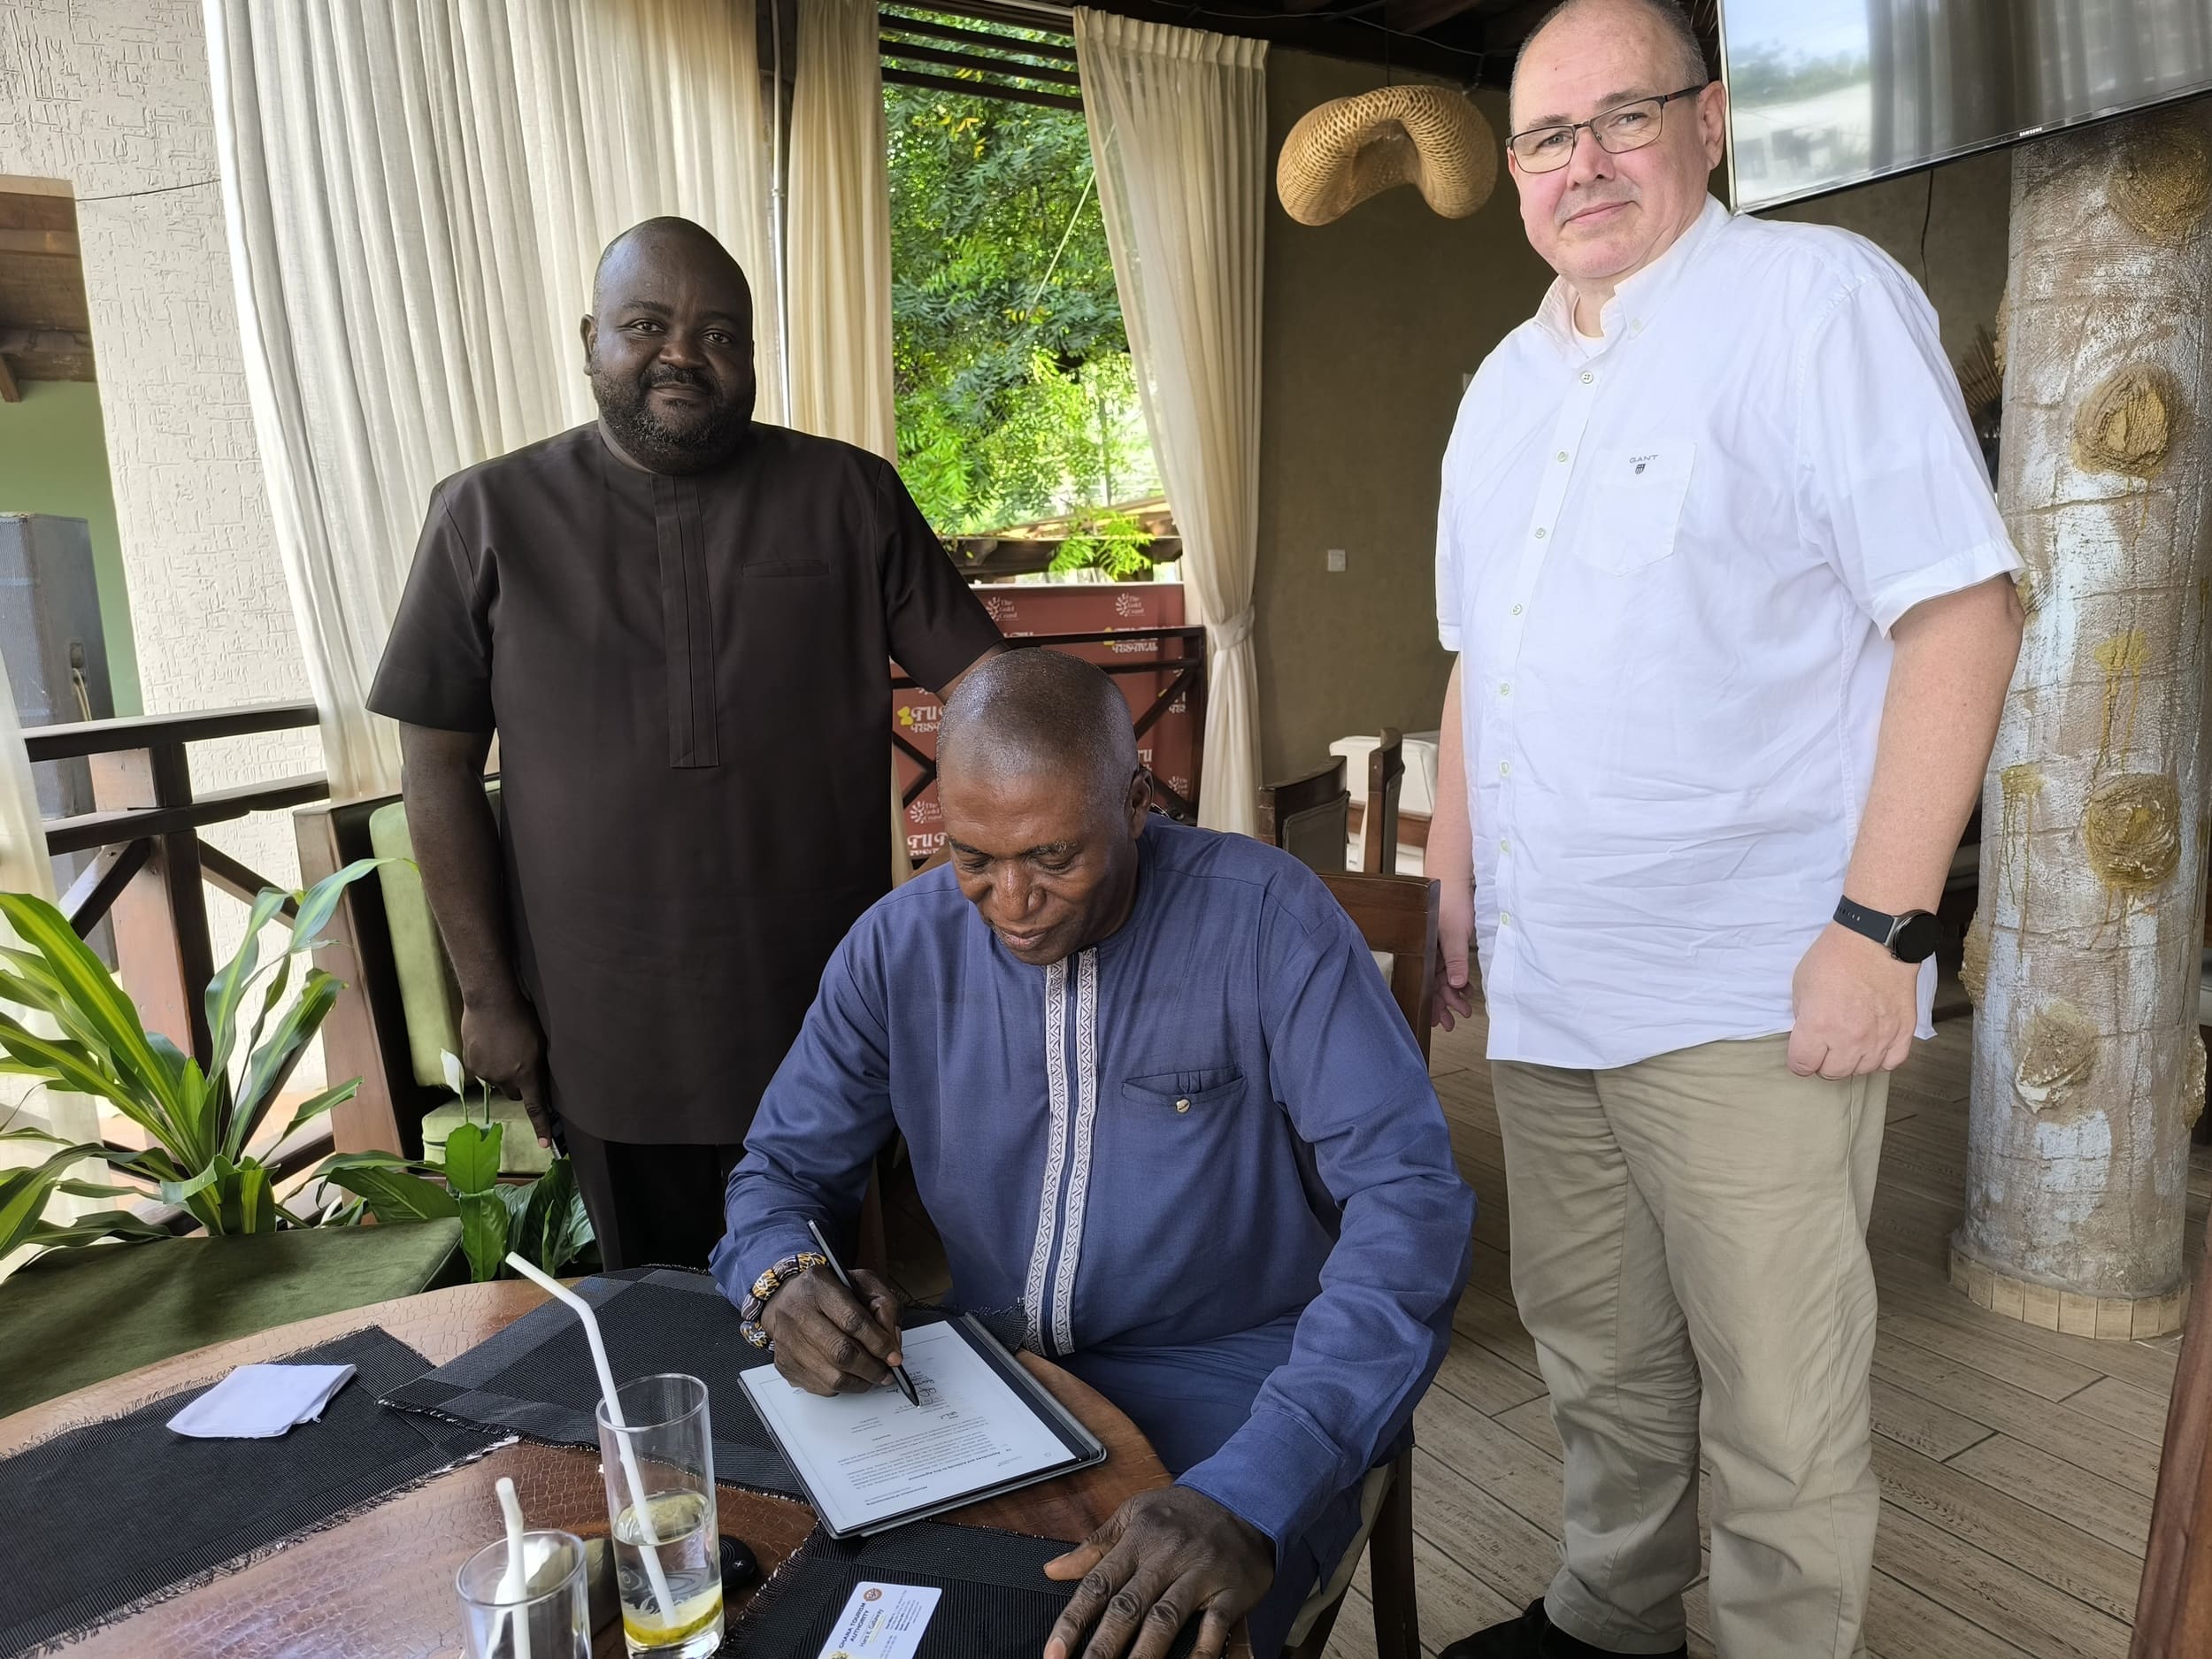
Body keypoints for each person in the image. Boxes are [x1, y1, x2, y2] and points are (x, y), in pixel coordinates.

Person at [1428, 3, 2025, 1655]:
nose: (1584, 162)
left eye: (1626, 116)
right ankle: (1612, 1615)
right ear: (1516, 172)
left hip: (1752, 981)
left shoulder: (1815, 301)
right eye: (1547, 137)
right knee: (1599, 1351)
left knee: (1781, 1392)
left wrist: (1882, 929)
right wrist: (1453, 875)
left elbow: (1963, 614)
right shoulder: (1501, 387)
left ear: (1710, 125)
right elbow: (1480, 658)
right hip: (1554, 981)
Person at [711, 649, 1475, 1659]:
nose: (1010, 900)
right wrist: (784, 1278)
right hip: (988, 1382)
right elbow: (778, 1172)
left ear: (1137, 800)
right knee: (808, 1605)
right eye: (974, 858)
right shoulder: (896, 948)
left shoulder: (1268, 923)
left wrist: (1255, 1486)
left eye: (1053, 857)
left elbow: (1410, 1203)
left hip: (1246, 1384)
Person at [368, 217, 1003, 1271]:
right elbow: (434, 769)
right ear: (590, 340)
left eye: (719, 334)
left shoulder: (848, 495)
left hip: (819, 1005)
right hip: (602, 1018)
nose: (682, 354)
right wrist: (486, 995)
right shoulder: (484, 514)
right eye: (645, 326)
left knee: (829, 1303)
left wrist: (1003, 860)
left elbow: (989, 691)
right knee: (654, 1319)